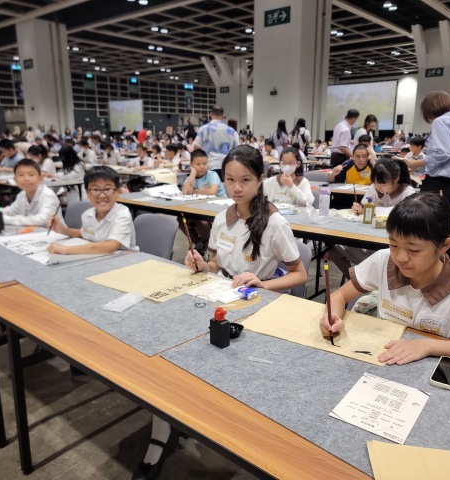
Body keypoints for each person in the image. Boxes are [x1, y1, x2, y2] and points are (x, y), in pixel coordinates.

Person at [134, 145, 307, 480]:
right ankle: (168, 422)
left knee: (214, 362)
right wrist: (202, 264)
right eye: (230, 180)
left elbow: (299, 274)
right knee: (170, 349)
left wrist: (262, 284)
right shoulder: (221, 218)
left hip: (252, 305)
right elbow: (216, 264)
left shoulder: (274, 223)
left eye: (245, 180)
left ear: (260, 179)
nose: (236, 187)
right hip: (217, 296)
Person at [321, 192, 450, 369]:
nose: (401, 258)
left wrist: (429, 345)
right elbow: (339, 296)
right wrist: (332, 317)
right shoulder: (384, 261)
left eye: (413, 250)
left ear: (444, 246)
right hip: (382, 358)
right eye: (394, 245)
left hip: (430, 370)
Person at [47, 166, 136, 254]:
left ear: (118, 192)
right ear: (87, 193)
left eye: (107, 189)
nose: (102, 195)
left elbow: (110, 246)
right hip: (100, 258)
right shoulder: (87, 215)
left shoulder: (122, 214)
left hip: (127, 259)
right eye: (95, 189)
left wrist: (65, 250)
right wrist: (62, 230)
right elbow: (84, 233)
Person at [404, 91, 450, 207]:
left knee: (428, 215)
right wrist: (419, 169)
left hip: (438, 183)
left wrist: (417, 163)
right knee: (444, 216)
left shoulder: (440, 121)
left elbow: (443, 153)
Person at [0, 159, 60, 226]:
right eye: (21, 175)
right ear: (15, 180)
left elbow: (43, 220)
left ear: (40, 178)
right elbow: (10, 211)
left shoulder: (48, 195)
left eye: (31, 175)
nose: (26, 179)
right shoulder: (22, 195)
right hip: (33, 234)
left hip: (54, 236)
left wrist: (6, 219)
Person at [180, 149, 226, 253]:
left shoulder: (212, 174)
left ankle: (207, 244)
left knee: (202, 223)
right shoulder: (191, 178)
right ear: (191, 164)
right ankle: (200, 244)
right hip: (200, 209)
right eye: (198, 164)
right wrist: (193, 173)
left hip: (218, 209)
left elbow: (212, 191)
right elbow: (185, 192)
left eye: (205, 163)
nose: (202, 167)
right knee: (181, 220)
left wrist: (195, 191)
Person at [351, 159, 416, 215]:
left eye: (382, 184)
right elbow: (364, 207)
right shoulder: (373, 188)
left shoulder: (408, 192)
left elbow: (409, 214)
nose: (378, 187)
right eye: (375, 183)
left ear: (396, 179)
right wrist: (358, 209)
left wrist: (375, 211)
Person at [193, 105, 239, 174]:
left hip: (208, 166)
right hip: (226, 167)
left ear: (210, 114)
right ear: (223, 116)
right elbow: (238, 149)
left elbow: (196, 147)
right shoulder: (231, 131)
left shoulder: (203, 129)